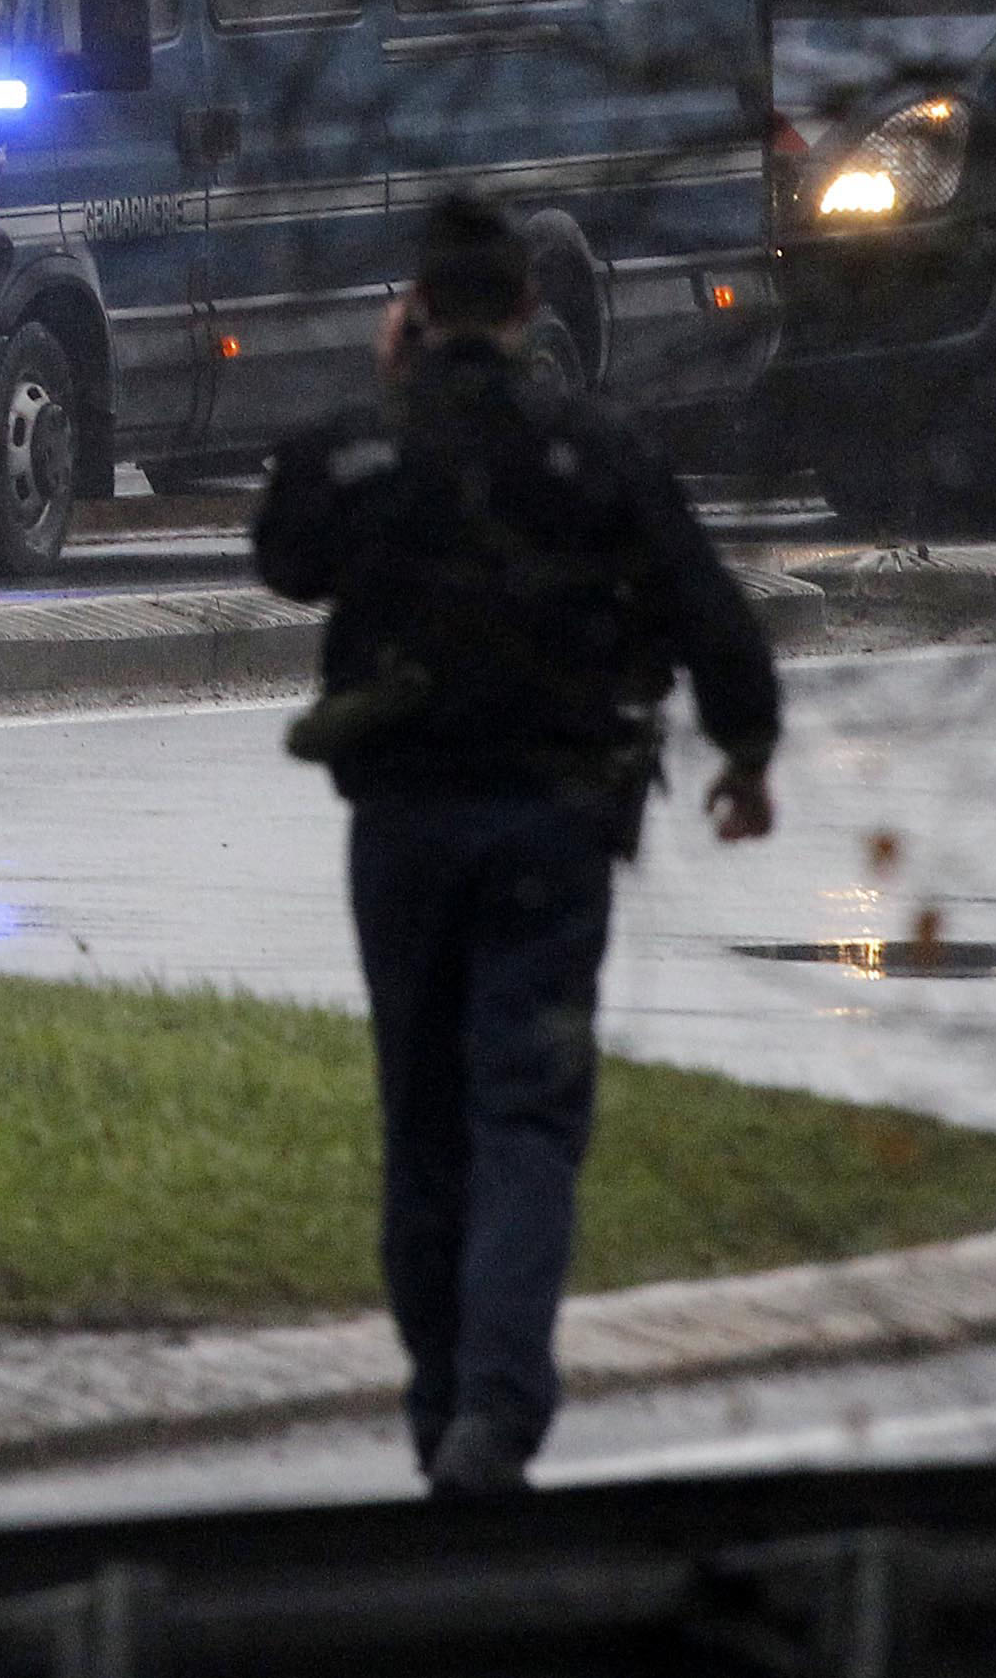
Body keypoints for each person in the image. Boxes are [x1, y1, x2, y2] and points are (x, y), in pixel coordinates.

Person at [252, 192, 780, 1501]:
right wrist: (746, 753)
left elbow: (284, 558)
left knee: (420, 1115)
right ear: (531, 309)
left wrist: (387, 392)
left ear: (414, 305)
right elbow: (705, 609)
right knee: (525, 1117)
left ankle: (442, 1409)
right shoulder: (593, 450)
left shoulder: (362, 447)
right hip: (551, 826)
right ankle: (492, 1407)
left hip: (404, 833)